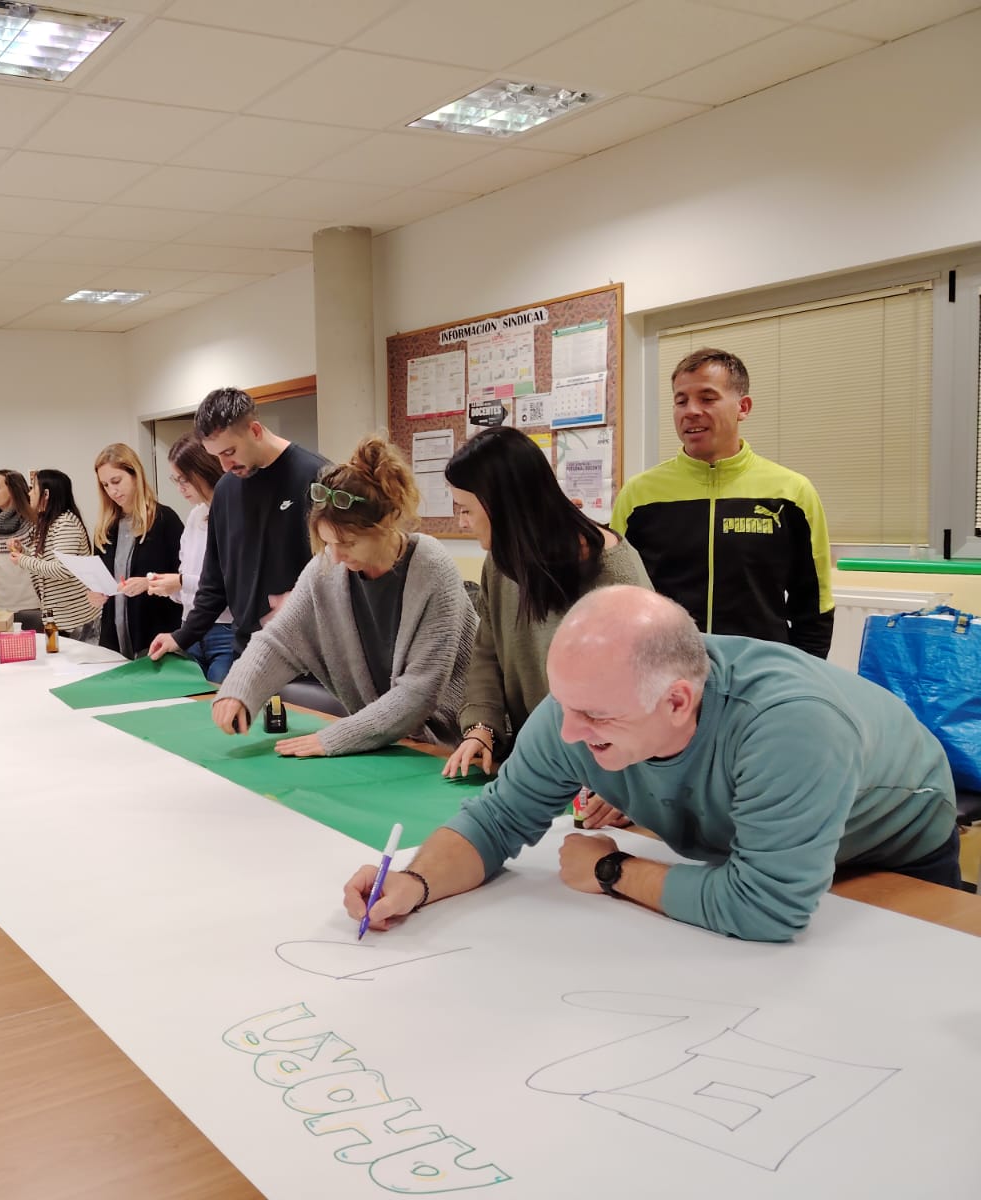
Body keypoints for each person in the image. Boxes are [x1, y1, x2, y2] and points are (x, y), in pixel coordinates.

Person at [343, 586, 960, 944]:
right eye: (565, 704)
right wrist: (417, 883)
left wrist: (613, 869)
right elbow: (498, 819)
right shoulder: (585, 706)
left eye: (594, 717)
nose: (568, 733)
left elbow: (769, 907)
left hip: (890, 849)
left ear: (676, 701)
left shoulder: (790, 725)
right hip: (759, 852)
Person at [210, 436, 477, 757]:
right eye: (327, 543)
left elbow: (419, 692)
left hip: (459, 743)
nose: (335, 557)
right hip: (394, 740)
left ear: (385, 524)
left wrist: (333, 738)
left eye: (347, 543)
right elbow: (279, 641)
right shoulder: (326, 568)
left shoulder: (432, 567)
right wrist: (238, 691)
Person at [439, 427, 649, 831]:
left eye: (466, 509)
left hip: (610, 781)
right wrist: (480, 729)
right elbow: (487, 652)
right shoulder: (502, 564)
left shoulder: (614, 570)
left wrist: (630, 777)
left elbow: (650, 690)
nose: (462, 522)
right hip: (543, 768)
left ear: (502, 505)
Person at [611, 347, 834, 656]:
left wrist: (807, 676)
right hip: (666, 670)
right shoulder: (638, 495)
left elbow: (814, 603)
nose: (690, 410)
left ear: (742, 407)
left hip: (761, 671)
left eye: (707, 398)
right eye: (680, 400)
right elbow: (619, 595)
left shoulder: (792, 492)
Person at [149, 387, 326, 664]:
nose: (224, 465)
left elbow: (344, 570)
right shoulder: (226, 491)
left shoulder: (317, 477)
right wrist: (182, 636)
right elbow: (214, 581)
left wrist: (301, 599)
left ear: (255, 431)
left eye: (229, 452)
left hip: (309, 650)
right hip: (248, 651)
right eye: (216, 456)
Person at [144, 434, 235, 682]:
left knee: (221, 702)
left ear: (204, 471)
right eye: (176, 480)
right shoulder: (195, 516)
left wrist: (182, 582)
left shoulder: (232, 513)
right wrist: (168, 587)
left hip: (225, 628)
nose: (180, 487)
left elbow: (226, 583)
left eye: (185, 479)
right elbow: (187, 578)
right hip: (190, 626)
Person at [90, 443, 183, 659]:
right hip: (114, 639)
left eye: (116, 481)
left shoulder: (164, 520)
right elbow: (101, 579)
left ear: (135, 475)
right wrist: (94, 594)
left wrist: (148, 583)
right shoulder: (106, 528)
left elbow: (183, 578)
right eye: (105, 485)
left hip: (156, 635)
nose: (112, 491)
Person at [8, 468, 99, 642]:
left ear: (46, 493)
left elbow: (62, 570)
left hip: (76, 621)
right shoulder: (48, 523)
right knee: (57, 663)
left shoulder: (66, 523)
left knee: (79, 668)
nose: (29, 493)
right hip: (53, 619)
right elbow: (45, 561)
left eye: (33, 488)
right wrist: (23, 551)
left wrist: (23, 560)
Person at [0, 468, 43, 631]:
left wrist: (23, 551)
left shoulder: (34, 522)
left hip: (30, 604)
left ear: (13, 491)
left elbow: (42, 561)